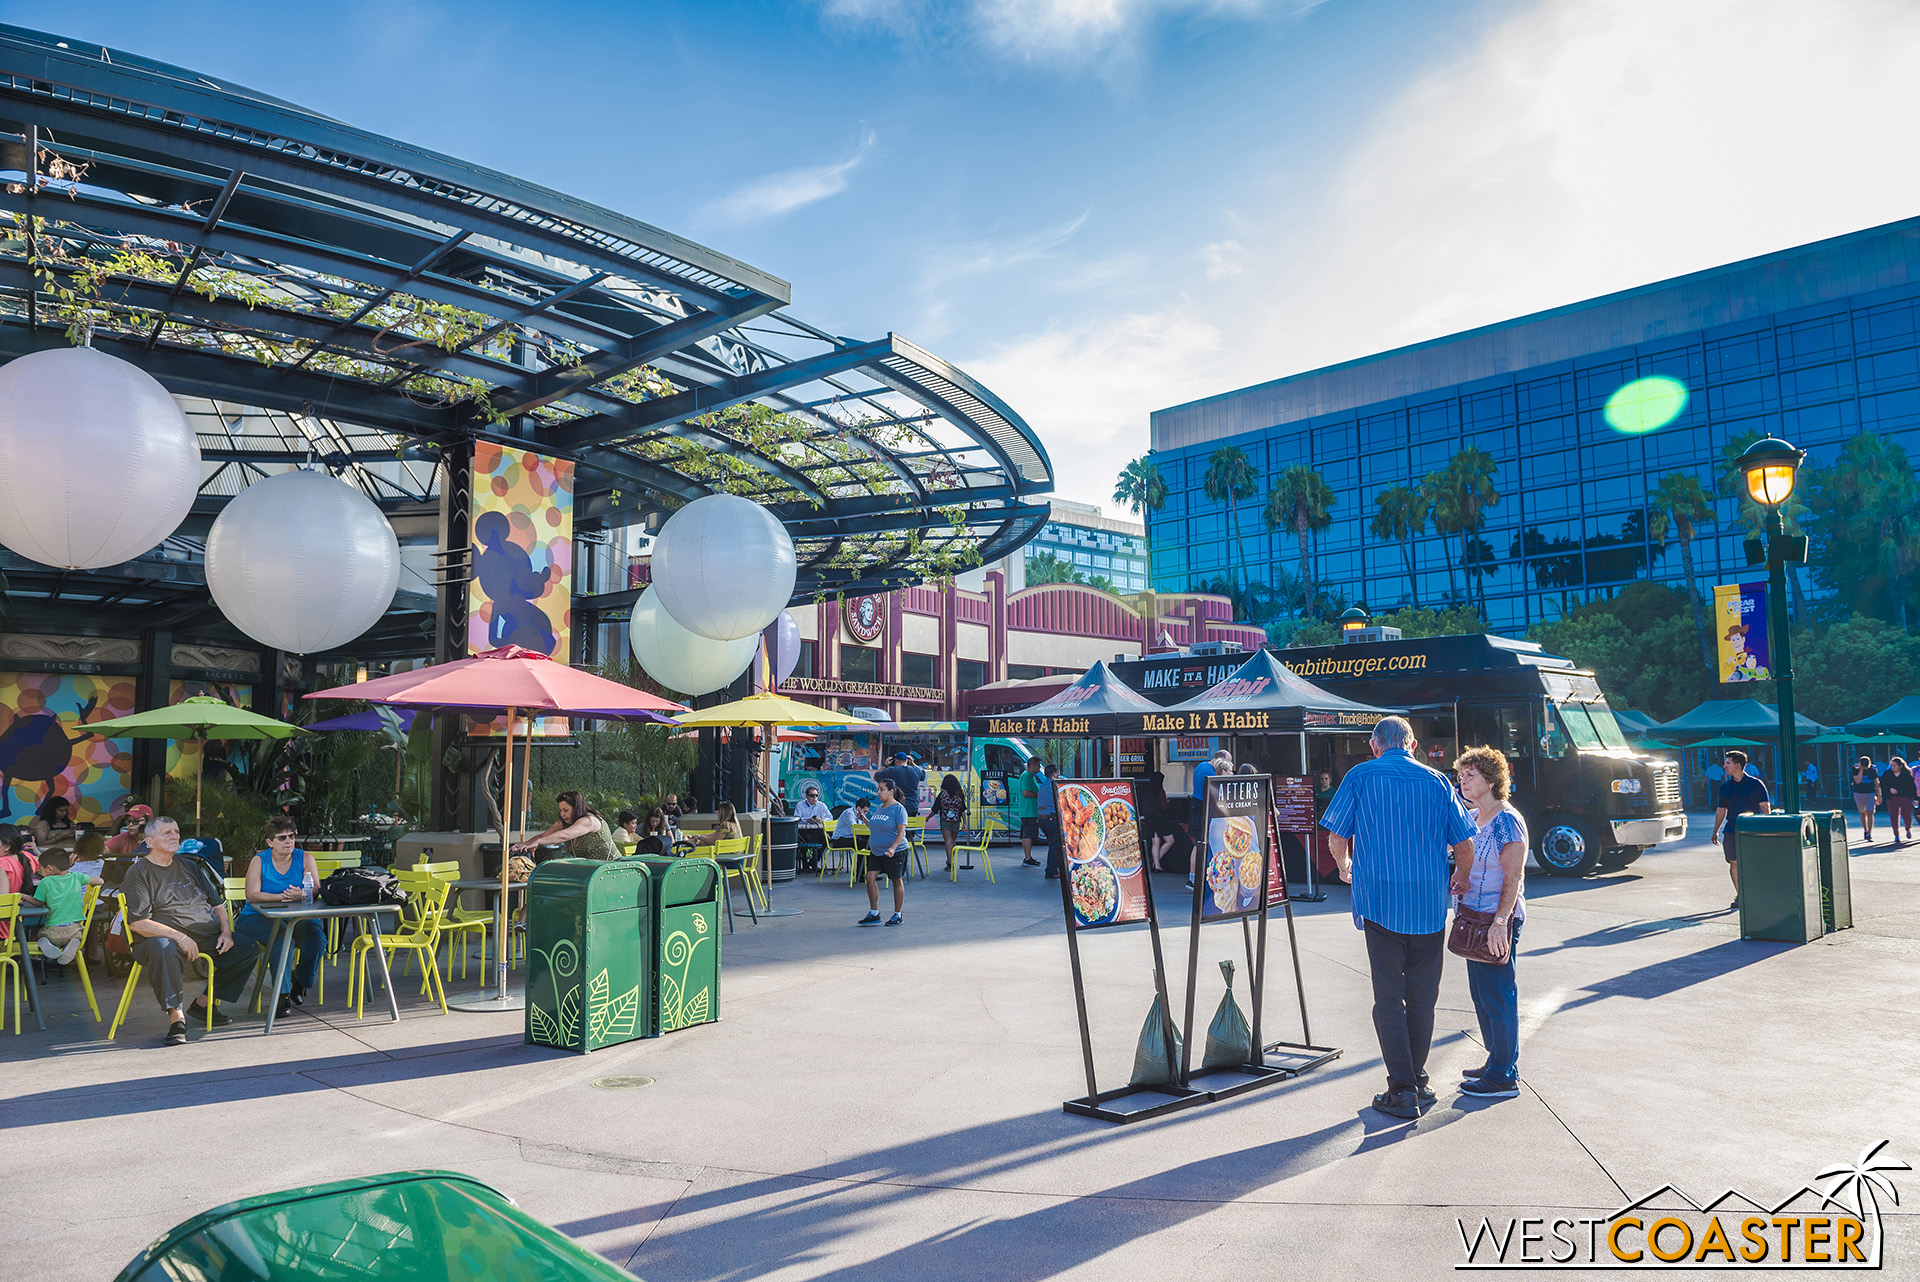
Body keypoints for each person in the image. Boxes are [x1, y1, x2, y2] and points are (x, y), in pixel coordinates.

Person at [1321, 716, 1476, 1120]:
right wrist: (1461, 875)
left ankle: (1403, 1089)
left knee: (1389, 998)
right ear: (1412, 744)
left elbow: (1336, 835)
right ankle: (1418, 1081)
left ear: (1375, 745)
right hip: (1427, 906)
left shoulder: (1361, 776)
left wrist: (1344, 864)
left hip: (1380, 904)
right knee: (1423, 997)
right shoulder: (1438, 781)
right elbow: (1464, 842)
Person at [119, 816, 260, 1045]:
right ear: (149, 842)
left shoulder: (190, 865)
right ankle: (177, 1018)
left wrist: (225, 932)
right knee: (163, 947)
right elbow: (138, 923)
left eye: (176, 832)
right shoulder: (139, 872)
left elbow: (218, 905)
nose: (175, 836)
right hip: (159, 938)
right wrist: (180, 936)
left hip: (206, 935)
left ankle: (203, 1004)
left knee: (247, 948)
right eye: (167, 833)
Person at [1452, 747, 1528, 1100]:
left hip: (1494, 920)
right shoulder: (1474, 817)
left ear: (1493, 780)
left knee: (1499, 995)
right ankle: (1497, 1061)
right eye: (1462, 775)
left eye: (1471, 775)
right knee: (1483, 997)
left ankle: (1502, 1076)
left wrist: (1501, 922)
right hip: (1472, 918)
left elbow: (1513, 878)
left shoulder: (1507, 821)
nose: (1463, 781)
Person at [232, 817, 323, 1020]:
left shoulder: (305, 857)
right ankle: (282, 996)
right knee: (282, 939)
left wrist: (302, 894)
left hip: (295, 916)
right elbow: (252, 894)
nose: (289, 841)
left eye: (292, 836)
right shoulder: (259, 860)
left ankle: (299, 982)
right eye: (282, 838)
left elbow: (315, 889)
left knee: (316, 936)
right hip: (257, 916)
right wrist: (283, 897)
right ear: (270, 842)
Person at [1711, 750, 1770, 909]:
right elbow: (1721, 810)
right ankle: (1741, 896)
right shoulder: (1725, 787)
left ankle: (1755, 893)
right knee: (1734, 863)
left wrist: (1766, 828)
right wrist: (1716, 830)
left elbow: (1765, 806)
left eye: (1728, 763)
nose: (1724, 766)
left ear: (1738, 765)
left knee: (1751, 864)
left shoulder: (1756, 784)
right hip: (1731, 830)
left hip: (1752, 830)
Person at [28, 844, 99, 966]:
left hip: (52, 930)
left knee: (39, 936)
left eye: (41, 869)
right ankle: (71, 944)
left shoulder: (45, 882)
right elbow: (100, 881)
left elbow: (38, 902)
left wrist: (23, 896)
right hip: (74, 930)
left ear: (49, 869)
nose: (40, 872)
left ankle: (46, 943)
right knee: (73, 937)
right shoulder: (77, 877)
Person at [857, 778, 910, 927]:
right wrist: (864, 819)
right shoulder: (880, 807)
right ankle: (874, 913)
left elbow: (901, 833)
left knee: (896, 880)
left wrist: (892, 848)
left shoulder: (898, 809)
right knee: (870, 877)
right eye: (878, 789)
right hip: (877, 851)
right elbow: (875, 827)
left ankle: (897, 914)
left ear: (891, 792)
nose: (878, 792)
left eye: (881, 789)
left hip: (895, 851)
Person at [514, 791, 618, 861]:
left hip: (610, 869)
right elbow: (544, 836)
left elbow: (565, 835)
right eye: (561, 810)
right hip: (592, 873)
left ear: (576, 808)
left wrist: (537, 843)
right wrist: (525, 844)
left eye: (566, 810)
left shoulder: (589, 821)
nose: (562, 814)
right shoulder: (565, 822)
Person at [1189, 750, 1234, 890]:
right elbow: (1212, 795)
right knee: (1200, 844)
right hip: (1202, 810)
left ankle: (1196, 877)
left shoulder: (1200, 766)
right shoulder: (1209, 772)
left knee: (1199, 844)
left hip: (1197, 807)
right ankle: (1193, 879)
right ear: (1220, 761)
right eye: (1227, 765)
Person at [932, 775, 967, 872]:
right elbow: (963, 810)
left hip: (945, 820)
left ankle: (950, 863)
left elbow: (935, 808)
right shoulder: (959, 794)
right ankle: (951, 860)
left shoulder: (942, 795)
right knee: (953, 841)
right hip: (956, 820)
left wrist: (928, 817)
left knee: (948, 841)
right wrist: (965, 823)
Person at [1015, 757, 1046, 867]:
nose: (1039, 767)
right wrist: (1040, 796)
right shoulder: (1027, 776)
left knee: (1029, 834)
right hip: (1028, 810)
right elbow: (1026, 793)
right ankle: (1027, 857)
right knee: (1027, 835)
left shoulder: (1030, 776)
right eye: (1038, 765)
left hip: (1030, 810)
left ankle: (1028, 857)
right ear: (1032, 765)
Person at [793, 786, 833, 870]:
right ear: (807, 797)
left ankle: (814, 861)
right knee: (807, 838)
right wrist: (806, 820)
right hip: (804, 831)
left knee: (825, 839)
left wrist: (822, 820)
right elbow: (796, 818)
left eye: (816, 795)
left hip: (818, 830)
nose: (814, 798)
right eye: (812, 795)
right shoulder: (800, 805)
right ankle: (807, 862)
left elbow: (830, 817)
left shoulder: (822, 805)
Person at [1881, 756, 1917, 845]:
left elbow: (1912, 787)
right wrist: (1889, 789)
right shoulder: (1887, 774)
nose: (1892, 767)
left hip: (1905, 797)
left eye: (1894, 766)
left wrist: (1915, 797)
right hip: (1892, 798)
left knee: (1907, 815)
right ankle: (1896, 833)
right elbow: (1883, 784)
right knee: (1894, 815)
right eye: (1892, 765)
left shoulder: (1907, 775)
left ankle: (1908, 828)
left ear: (1900, 766)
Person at [1039, 763, 1064, 879]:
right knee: (1055, 846)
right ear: (1054, 773)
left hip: (1043, 820)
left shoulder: (1042, 786)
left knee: (1053, 845)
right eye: (1057, 772)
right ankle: (1051, 871)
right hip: (1051, 819)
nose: (1059, 774)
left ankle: (1055, 868)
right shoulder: (1055, 786)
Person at [1852, 756, 1882, 842]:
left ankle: (1869, 832)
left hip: (1870, 792)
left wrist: (1879, 795)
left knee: (1870, 812)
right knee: (1862, 812)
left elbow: (1877, 783)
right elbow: (1857, 781)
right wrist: (1861, 770)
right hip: (1859, 793)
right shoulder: (1855, 768)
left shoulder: (1873, 769)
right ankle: (1865, 829)